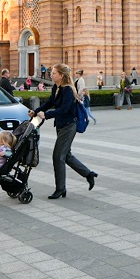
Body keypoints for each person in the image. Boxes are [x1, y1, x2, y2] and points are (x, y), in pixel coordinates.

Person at [35, 63, 97, 199]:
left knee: (58, 156)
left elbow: (64, 109)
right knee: (66, 155)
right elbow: (50, 103)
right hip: (61, 125)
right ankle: (88, 174)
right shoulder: (57, 88)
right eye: (51, 73)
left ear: (61, 76)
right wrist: (35, 111)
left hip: (69, 126)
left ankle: (60, 188)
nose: (51, 75)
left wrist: (46, 115)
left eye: (54, 73)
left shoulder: (68, 90)